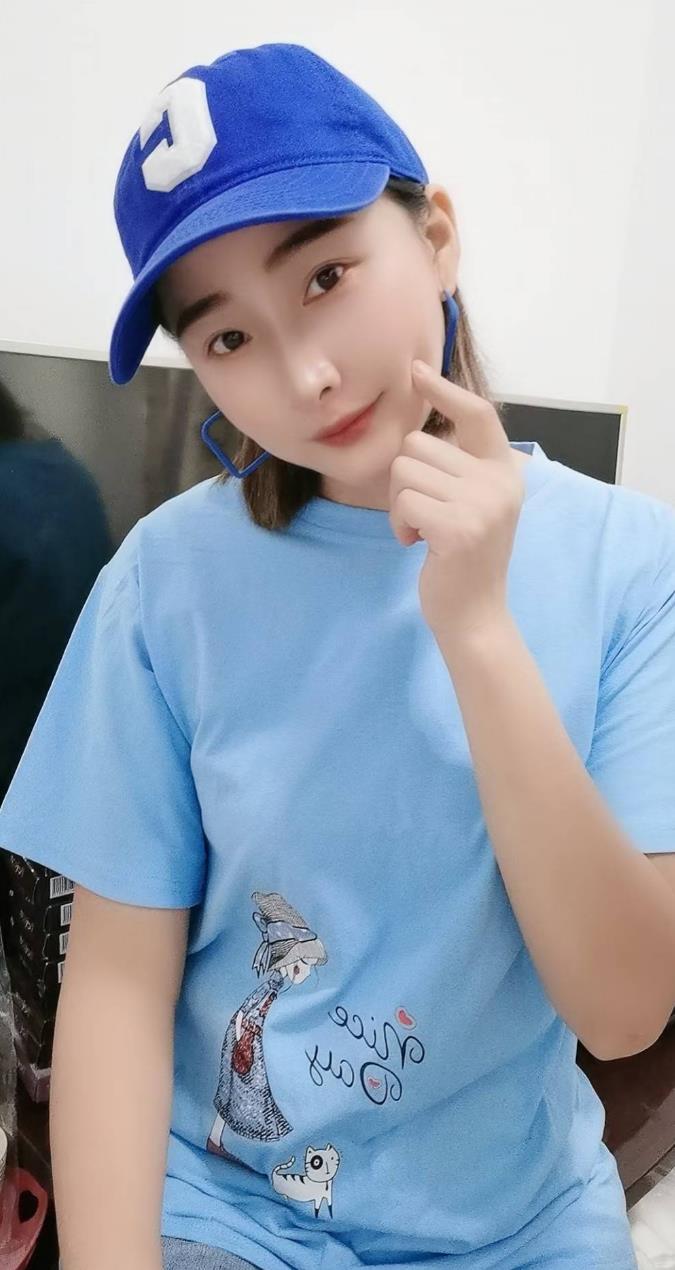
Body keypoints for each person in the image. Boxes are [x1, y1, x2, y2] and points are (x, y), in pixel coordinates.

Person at [1, 41, 674, 1270]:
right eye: (226, 340)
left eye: (324, 276)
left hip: (516, 1227)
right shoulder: (166, 585)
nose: (304, 376)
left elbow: (625, 1011)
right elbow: (116, 990)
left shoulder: (633, 564)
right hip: (230, 1210)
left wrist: (479, 631)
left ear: (438, 237)